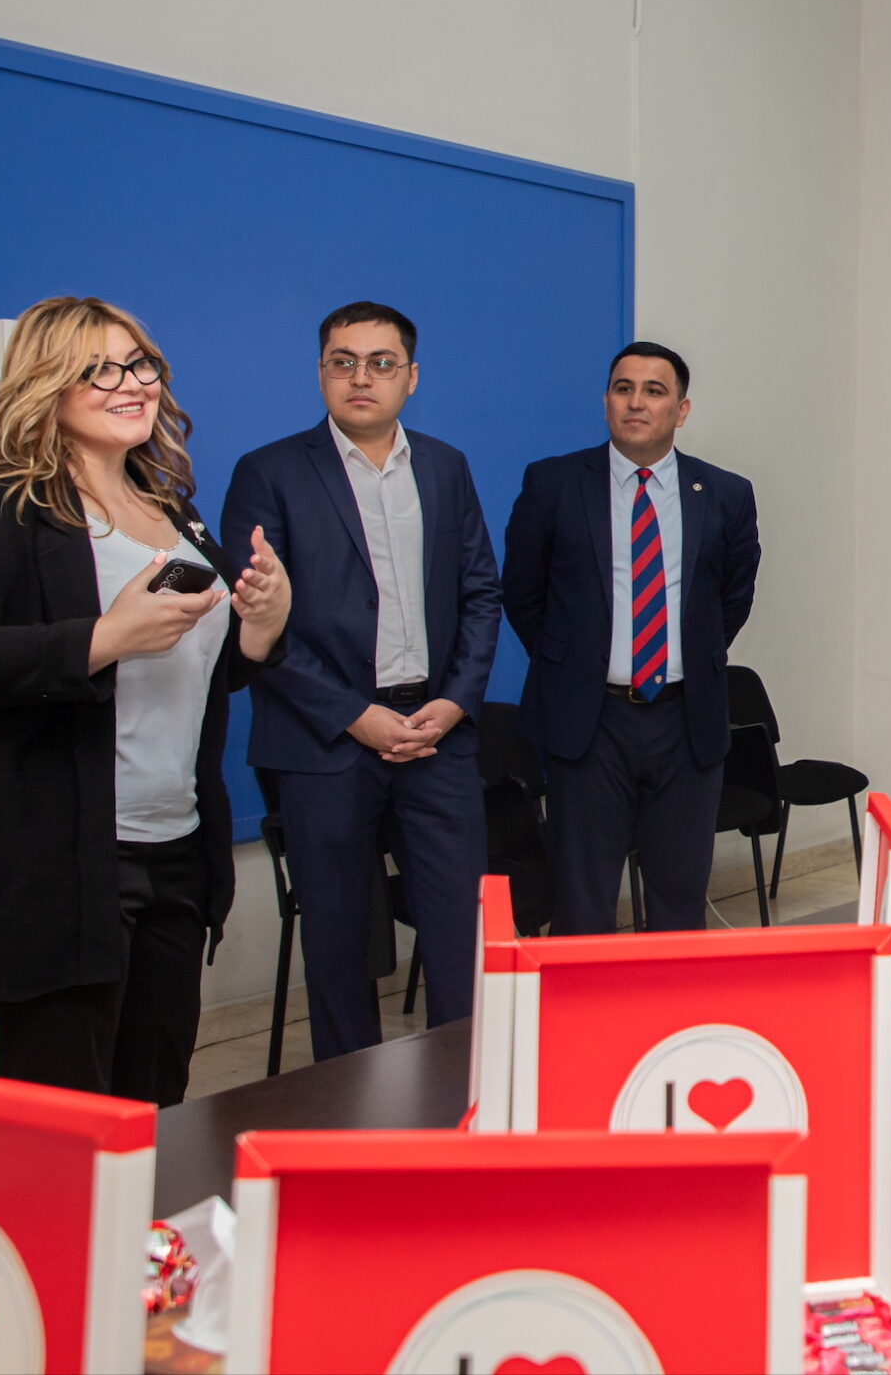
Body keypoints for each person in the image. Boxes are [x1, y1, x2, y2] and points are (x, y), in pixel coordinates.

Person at [0, 296, 289, 1104]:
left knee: (156, 1107)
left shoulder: (175, 515)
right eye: (100, 370)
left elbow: (192, 678)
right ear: (48, 385)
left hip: (178, 856)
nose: (132, 384)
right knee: (69, 1121)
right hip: (60, 864)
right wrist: (103, 638)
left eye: (140, 364)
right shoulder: (8, 508)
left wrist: (259, 628)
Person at [220, 302, 499, 1061]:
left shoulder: (445, 466)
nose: (361, 377)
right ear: (321, 373)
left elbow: (480, 592)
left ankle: (460, 1089)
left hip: (436, 734)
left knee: (459, 935)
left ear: (412, 377)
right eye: (343, 362)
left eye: (381, 363)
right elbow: (259, 626)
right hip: (325, 743)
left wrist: (455, 701)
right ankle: (350, 1105)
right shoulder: (269, 472)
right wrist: (354, 714)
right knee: (340, 943)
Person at [503, 340, 761, 933]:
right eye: (624, 389)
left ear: (681, 410)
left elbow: (733, 598)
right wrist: (574, 664)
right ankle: (585, 999)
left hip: (685, 722)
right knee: (582, 904)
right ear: (606, 402)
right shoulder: (553, 484)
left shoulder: (725, 494)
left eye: (654, 391)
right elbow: (522, 594)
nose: (636, 402)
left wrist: (681, 659)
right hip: (588, 723)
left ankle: (670, 999)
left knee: (678, 902)